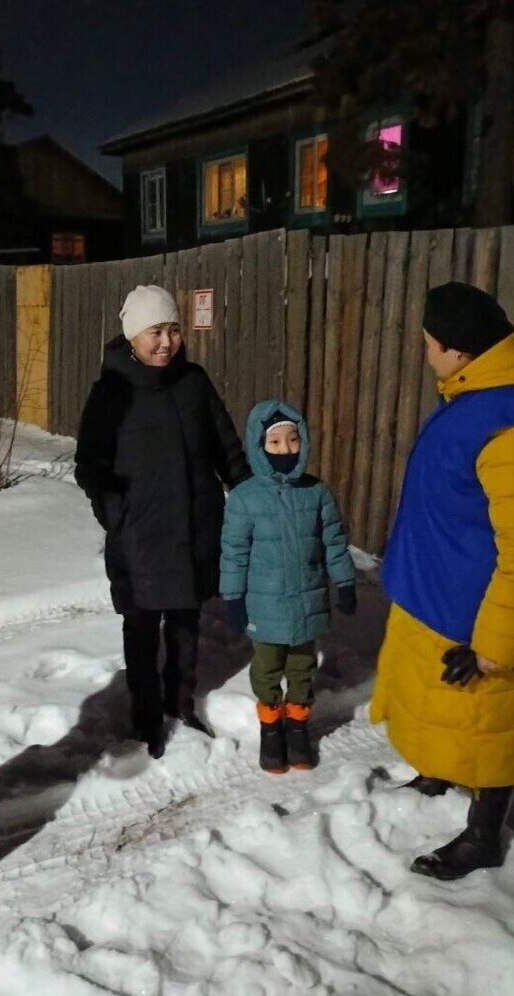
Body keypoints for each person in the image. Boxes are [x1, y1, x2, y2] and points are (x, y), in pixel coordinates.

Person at [371, 281, 514, 881]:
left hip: (471, 617)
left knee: (486, 729)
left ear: (459, 351)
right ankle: (437, 768)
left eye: (430, 343)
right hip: (432, 594)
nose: (425, 352)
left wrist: (493, 647)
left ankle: (484, 834)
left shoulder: (504, 423)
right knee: (429, 706)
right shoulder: (470, 394)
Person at [75, 285, 249, 758]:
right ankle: (145, 716)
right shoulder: (112, 393)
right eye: (155, 332)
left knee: (186, 621)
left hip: (194, 526)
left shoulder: (193, 381)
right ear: (132, 337)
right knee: (141, 626)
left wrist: (250, 492)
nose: (166, 342)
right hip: (141, 535)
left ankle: (181, 703)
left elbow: (225, 445)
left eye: (173, 330)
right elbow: (89, 464)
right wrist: (117, 514)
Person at [220, 401, 356, 772]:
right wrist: (232, 597)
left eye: (293, 440)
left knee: (302, 667)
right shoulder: (246, 498)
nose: (286, 449)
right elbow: (234, 552)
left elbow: (333, 542)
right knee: (267, 668)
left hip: (308, 601)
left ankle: (297, 727)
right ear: (260, 446)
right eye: (276, 442)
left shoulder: (316, 493)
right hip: (265, 606)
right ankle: (271, 730)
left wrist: (344, 581)